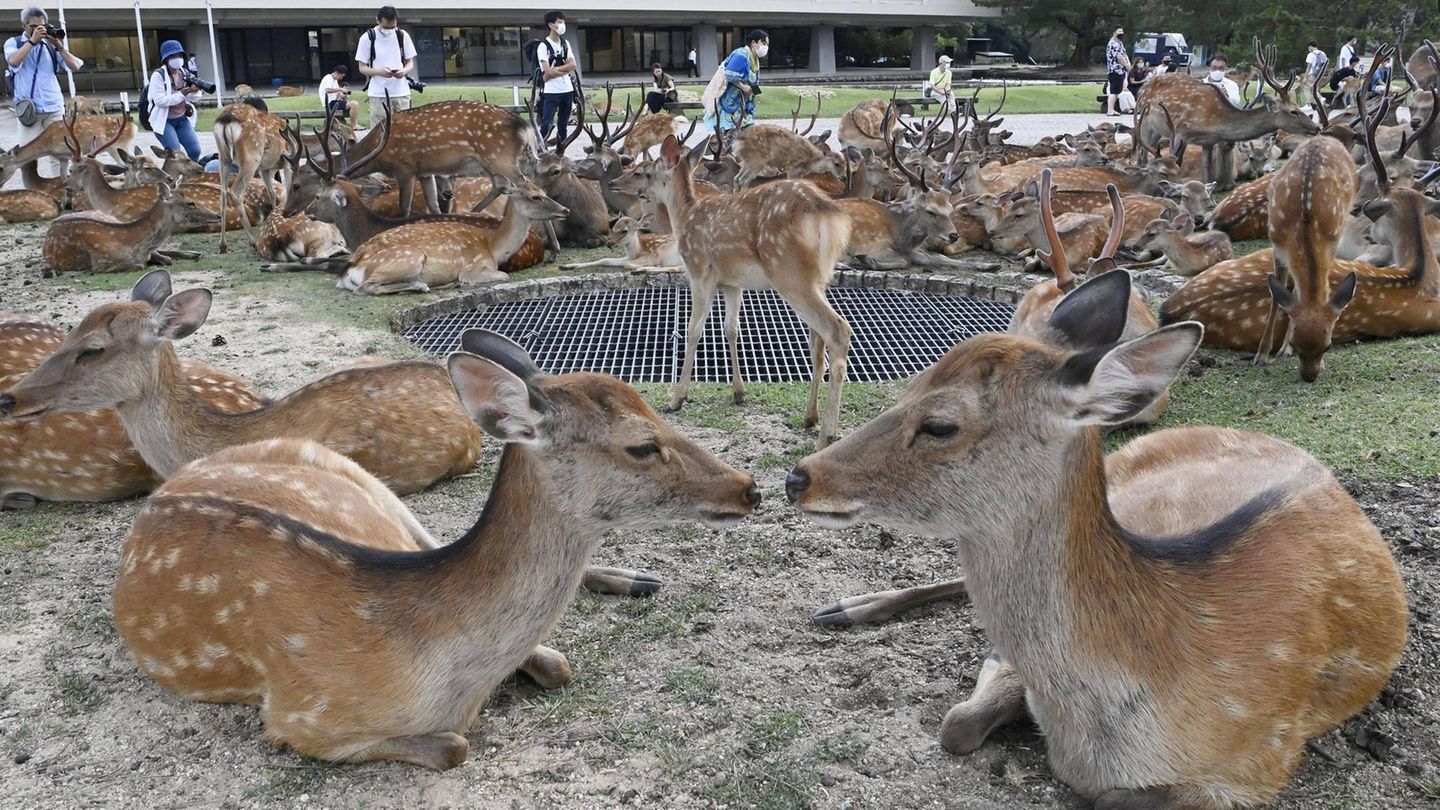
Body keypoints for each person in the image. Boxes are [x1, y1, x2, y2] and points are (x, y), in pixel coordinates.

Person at [6, 5, 83, 172]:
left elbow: (75, 66)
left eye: (42, 27)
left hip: (53, 107)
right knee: (27, 156)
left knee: (60, 155)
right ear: (23, 26)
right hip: (29, 109)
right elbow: (13, 61)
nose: (38, 31)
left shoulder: (50, 46)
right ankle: (32, 187)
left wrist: (58, 46)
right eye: (33, 27)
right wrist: (32, 41)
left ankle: (60, 186)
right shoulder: (14, 43)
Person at [355, 5, 416, 128]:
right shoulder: (367, 38)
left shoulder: (402, 35)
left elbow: (410, 63)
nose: (389, 30)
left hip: (401, 92)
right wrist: (379, 72)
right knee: (380, 131)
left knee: (404, 130)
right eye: (386, 27)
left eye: (392, 27)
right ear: (377, 21)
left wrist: (403, 71)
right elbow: (362, 67)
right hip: (378, 93)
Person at [147, 39, 203, 162]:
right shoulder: (158, 75)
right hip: (165, 121)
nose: (177, 59)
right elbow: (160, 101)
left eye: (179, 55)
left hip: (182, 119)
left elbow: (194, 98)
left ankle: (192, 172)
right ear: (166, 59)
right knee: (175, 156)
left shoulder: (184, 73)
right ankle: (173, 174)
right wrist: (182, 93)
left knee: (195, 151)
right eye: (173, 56)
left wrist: (194, 91)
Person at [705, 29, 766, 134]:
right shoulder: (741, 55)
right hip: (730, 106)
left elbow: (753, 82)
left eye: (766, 44)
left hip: (744, 108)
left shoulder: (755, 60)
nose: (765, 47)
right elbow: (730, 74)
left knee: (749, 137)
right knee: (731, 138)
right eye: (763, 43)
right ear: (753, 42)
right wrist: (743, 87)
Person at [536, 9, 577, 152]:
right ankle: (540, 151)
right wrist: (564, 69)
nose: (562, 25)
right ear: (551, 25)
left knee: (563, 125)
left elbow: (573, 65)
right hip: (551, 92)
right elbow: (547, 72)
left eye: (563, 22)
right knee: (546, 125)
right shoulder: (543, 46)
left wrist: (555, 71)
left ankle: (561, 152)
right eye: (559, 22)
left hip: (567, 90)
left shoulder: (566, 44)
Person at [1105, 27, 1131, 117]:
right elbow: (1119, 57)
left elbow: (1124, 55)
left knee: (1117, 91)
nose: (1121, 33)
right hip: (1115, 70)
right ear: (1114, 33)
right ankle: (1110, 110)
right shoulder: (1114, 43)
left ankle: (1112, 109)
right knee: (1114, 91)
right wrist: (1126, 66)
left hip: (1120, 71)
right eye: (1119, 31)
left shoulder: (1119, 43)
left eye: (1122, 31)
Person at [1303, 41, 1328, 107]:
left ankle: (1309, 104)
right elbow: (1326, 64)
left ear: (1310, 47)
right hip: (1320, 74)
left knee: (1307, 88)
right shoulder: (1323, 53)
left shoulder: (1310, 54)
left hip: (1312, 74)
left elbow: (1308, 67)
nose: (1308, 49)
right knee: (1314, 88)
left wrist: (1305, 77)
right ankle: (1317, 103)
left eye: (1308, 48)